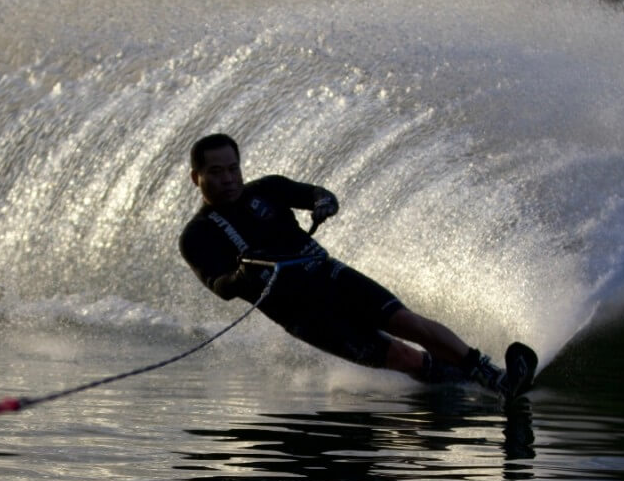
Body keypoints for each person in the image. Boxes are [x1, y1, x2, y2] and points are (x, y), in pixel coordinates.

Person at [178, 133, 535, 397]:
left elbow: (318, 193)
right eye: (216, 172)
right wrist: (242, 277)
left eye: (233, 168)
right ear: (197, 177)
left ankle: (489, 374)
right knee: (404, 358)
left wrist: (324, 204)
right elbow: (220, 287)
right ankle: (465, 385)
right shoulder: (197, 235)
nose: (228, 178)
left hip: (331, 277)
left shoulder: (268, 189)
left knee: (406, 322)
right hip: (303, 316)